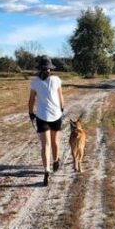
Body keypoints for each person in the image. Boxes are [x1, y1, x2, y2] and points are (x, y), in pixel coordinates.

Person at [27, 56, 65, 187]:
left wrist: (31, 113)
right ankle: (56, 160)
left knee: (45, 145)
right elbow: (61, 97)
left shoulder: (35, 82)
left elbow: (31, 100)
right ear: (50, 69)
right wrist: (61, 109)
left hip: (42, 116)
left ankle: (46, 171)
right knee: (55, 141)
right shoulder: (56, 80)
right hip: (56, 115)